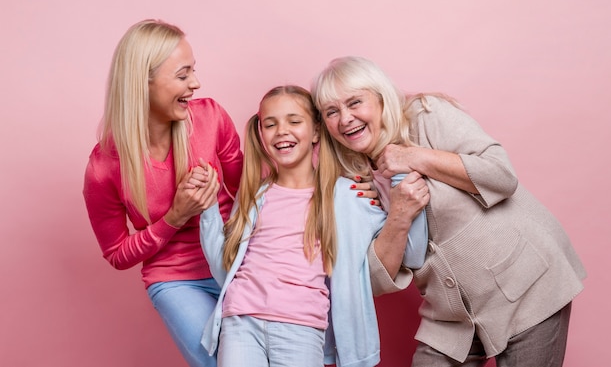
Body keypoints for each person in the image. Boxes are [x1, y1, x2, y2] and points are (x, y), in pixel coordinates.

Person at [310, 56, 587, 367]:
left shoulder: (426, 115)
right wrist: (399, 214)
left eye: (355, 102)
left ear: (380, 97)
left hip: (527, 286)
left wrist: (413, 156)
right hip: (451, 316)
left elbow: (501, 175)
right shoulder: (354, 182)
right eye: (331, 112)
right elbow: (375, 280)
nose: (345, 118)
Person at [198, 85, 430, 367]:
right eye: (270, 124)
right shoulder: (254, 196)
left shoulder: (348, 195)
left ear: (317, 132)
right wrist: (208, 207)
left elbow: (412, 253)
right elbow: (225, 269)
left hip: (302, 327)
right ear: (261, 134)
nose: (282, 130)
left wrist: (401, 191)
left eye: (294, 121)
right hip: (240, 320)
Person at [82, 19, 244, 367]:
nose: (195, 84)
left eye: (193, 72)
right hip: (177, 279)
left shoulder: (211, 118)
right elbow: (117, 254)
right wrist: (176, 215)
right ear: (144, 82)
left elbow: (251, 188)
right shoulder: (104, 166)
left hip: (238, 262)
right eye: (183, 75)